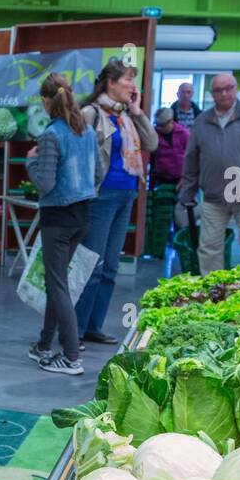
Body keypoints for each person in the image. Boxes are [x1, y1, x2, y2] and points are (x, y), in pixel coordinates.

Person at [25, 73, 107, 376]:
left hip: (57, 219)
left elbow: (45, 184)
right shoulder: (86, 131)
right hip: (82, 216)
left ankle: (72, 357)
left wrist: (31, 162)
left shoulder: (50, 135)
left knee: (57, 285)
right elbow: (98, 175)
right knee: (56, 281)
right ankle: (44, 345)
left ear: (46, 101)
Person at [74, 58, 158, 348]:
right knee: (92, 266)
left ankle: (93, 327)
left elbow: (152, 143)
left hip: (126, 194)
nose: (133, 86)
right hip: (100, 196)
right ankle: (75, 330)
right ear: (111, 83)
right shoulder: (90, 113)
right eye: (128, 80)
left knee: (110, 267)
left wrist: (137, 112)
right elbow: (76, 152)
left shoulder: (126, 115)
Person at [177, 73, 240, 275]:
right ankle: (213, 289)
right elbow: (191, 159)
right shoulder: (201, 121)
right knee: (209, 249)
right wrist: (188, 192)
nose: (224, 94)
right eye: (218, 90)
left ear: (236, 88)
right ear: (211, 94)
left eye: (228, 88)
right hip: (214, 197)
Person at [149, 107, 190, 252]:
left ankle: (182, 246)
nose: (158, 127)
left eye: (162, 125)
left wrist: (185, 179)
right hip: (162, 181)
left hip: (182, 180)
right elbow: (151, 159)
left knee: (181, 218)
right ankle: (160, 248)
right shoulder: (154, 135)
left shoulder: (184, 134)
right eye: (157, 124)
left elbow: (193, 159)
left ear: (171, 122)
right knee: (162, 216)